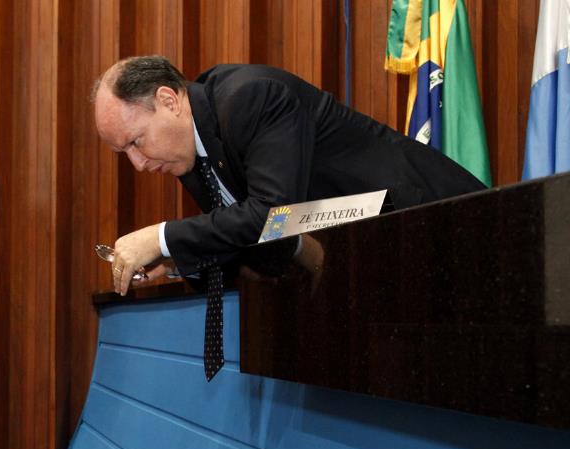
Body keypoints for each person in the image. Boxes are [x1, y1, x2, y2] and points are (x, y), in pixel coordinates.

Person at [93, 56, 486, 295]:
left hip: (438, 225)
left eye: (136, 142)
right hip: (369, 260)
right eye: (124, 153)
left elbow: (272, 215)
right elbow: (250, 240)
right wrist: (174, 261)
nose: (138, 164)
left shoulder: (250, 97)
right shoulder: (189, 154)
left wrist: (160, 237)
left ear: (168, 100)